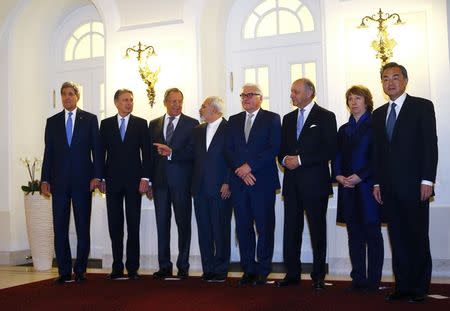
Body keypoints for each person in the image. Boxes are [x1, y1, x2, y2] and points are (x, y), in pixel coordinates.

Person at [372, 62, 438, 303]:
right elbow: (378, 153)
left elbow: (430, 145)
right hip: (388, 188)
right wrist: (377, 183)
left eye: (395, 77)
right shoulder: (378, 114)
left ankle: (419, 288)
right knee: (397, 237)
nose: (391, 82)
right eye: (386, 78)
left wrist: (427, 180)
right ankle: (402, 286)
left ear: (405, 80)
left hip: (415, 185)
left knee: (417, 237)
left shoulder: (421, 106)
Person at [276, 78, 337, 290]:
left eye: (296, 91)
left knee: (317, 230)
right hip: (292, 184)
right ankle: (292, 274)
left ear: (309, 92)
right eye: (292, 91)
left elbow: (330, 149)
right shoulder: (288, 118)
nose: (292, 95)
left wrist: (300, 160)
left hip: (315, 183)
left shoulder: (326, 116)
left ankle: (319, 275)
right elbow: (281, 149)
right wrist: (284, 160)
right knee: (291, 230)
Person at [41, 81, 102, 283]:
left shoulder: (90, 120)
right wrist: (45, 179)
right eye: (64, 94)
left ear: (77, 96)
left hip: (83, 182)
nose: (67, 97)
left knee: (82, 227)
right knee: (60, 228)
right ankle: (64, 271)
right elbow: (48, 153)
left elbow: (97, 151)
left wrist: (97, 176)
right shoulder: (52, 121)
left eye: (70, 94)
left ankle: (81, 270)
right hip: (58, 184)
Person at [225, 83, 281, 286]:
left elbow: (273, 148)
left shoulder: (272, 118)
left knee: (265, 226)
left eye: (250, 95)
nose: (246, 98)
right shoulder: (233, 120)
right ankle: (248, 269)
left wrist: (249, 166)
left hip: (262, 182)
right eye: (243, 95)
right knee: (243, 227)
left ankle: (263, 269)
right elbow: (228, 150)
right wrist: (240, 169)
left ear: (260, 98)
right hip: (239, 183)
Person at [333, 85, 383, 292]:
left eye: (358, 98)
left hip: (368, 187)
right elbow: (336, 155)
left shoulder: (376, 125)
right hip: (347, 187)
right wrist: (337, 175)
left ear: (367, 101)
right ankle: (358, 278)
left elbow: (379, 157)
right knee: (354, 235)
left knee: (372, 234)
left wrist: (361, 176)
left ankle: (373, 281)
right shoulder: (343, 129)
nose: (353, 102)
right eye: (350, 99)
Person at [99, 89, 150, 280]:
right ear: (116, 103)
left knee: (133, 224)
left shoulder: (140, 124)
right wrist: (101, 178)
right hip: (112, 182)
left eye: (131, 100)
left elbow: (147, 154)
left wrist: (146, 178)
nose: (129, 103)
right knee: (115, 226)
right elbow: (100, 153)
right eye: (125, 100)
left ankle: (133, 268)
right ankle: (117, 266)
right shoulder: (105, 124)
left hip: (134, 183)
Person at [149, 88, 199, 279]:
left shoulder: (192, 124)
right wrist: (150, 181)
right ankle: (164, 266)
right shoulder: (153, 124)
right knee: (162, 225)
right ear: (165, 102)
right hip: (160, 184)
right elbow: (150, 157)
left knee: (183, 224)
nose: (177, 105)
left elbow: (194, 153)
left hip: (182, 183)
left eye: (180, 101)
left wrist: (172, 153)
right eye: (173, 101)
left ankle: (183, 266)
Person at [191, 96, 231, 283]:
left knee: (220, 230)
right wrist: (172, 153)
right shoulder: (198, 131)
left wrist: (228, 182)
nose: (201, 109)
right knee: (204, 230)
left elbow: (234, 158)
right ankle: (208, 269)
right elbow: (189, 155)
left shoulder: (230, 128)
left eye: (204, 106)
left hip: (221, 188)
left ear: (214, 110)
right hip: (199, 189)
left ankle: (221, 270)